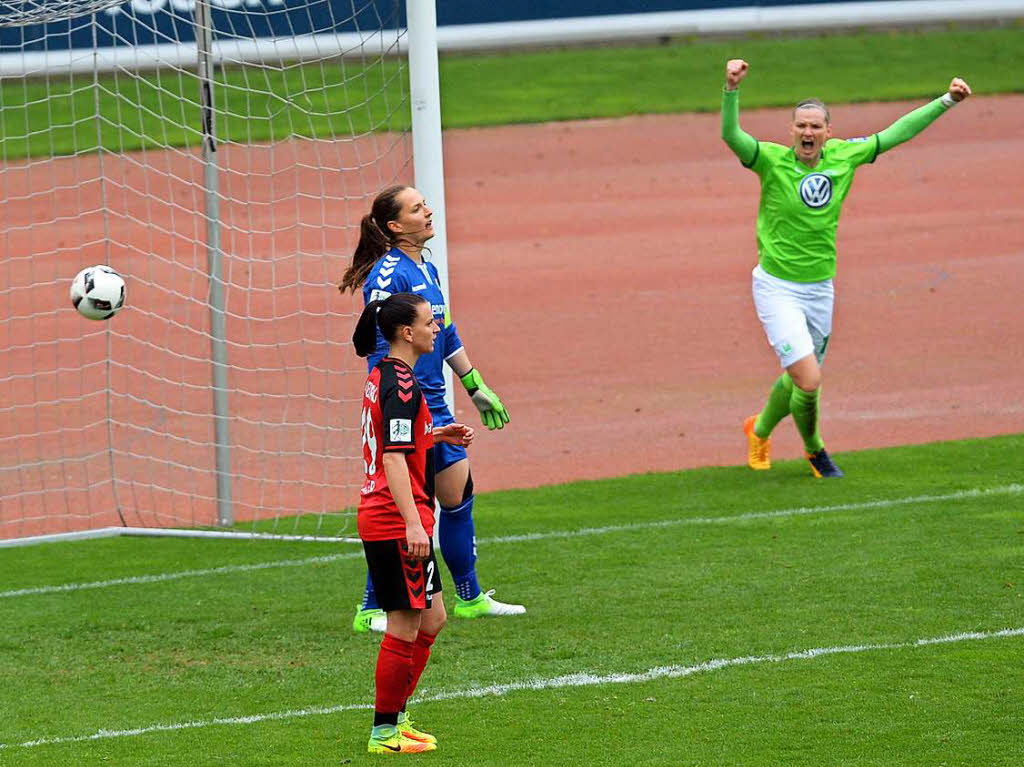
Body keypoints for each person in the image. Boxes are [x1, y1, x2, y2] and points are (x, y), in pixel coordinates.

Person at [721, 59, 972, 477]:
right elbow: (731, 134)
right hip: (777, 287)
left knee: (804, 376)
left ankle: (759, 429)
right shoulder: (770, 161)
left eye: (815, 126)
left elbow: (896, 134)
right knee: (808, 379)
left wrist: (946, 100)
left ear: (827, 132)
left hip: (820, 288)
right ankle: (815, 449)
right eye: (801, 125)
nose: (807, 132)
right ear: (791, 131)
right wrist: (731, 89)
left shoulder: (844, 156)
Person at [340, 185, 525, 632]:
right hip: (408, 405)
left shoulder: (428, 268)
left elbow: (445, 329)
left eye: (425, 205)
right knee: (410, 508)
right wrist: (399, 398)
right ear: (394, 226)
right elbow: (381, 342)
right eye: (417, 208)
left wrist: (474, 383)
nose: (428, 212)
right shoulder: (387, 275)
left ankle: (470, 597)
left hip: (437, 406)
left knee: (457, 499)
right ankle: (371, 609)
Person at [353, 291, 475, 754]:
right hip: (394, 518)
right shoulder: (401, 384)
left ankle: (397, 717)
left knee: (433, 618)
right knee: (405, 626)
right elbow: (393, 458)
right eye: (429, 321)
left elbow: (397, 437)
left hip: (392, 514)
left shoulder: (387, 375)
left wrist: (435, 432)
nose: (436, 327)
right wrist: (413, 523)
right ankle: (385, 731)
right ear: (407, 332)